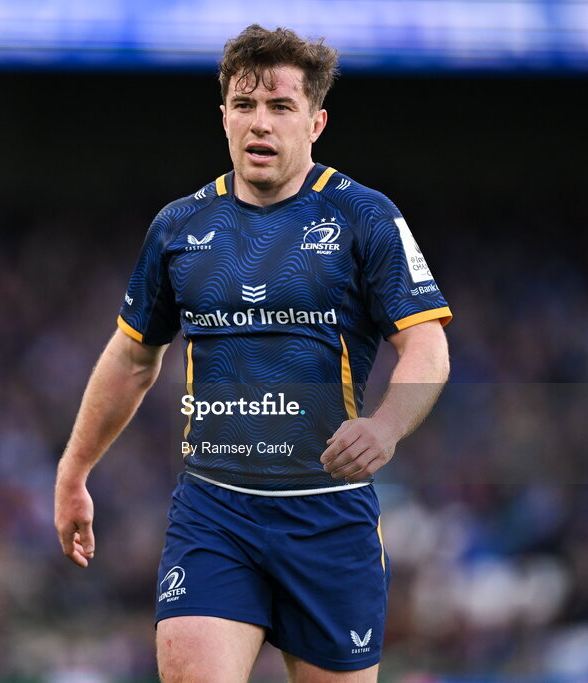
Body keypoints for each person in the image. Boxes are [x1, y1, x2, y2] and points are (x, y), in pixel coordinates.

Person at [55, 24, 451, 682]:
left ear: (316, 121)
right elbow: (131, 359)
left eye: (279, 106)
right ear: (223, 117)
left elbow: (427, 345)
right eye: (244, 106)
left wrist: (385, 426)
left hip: (330, 517)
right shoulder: (179, 226)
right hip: (216, 511)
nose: (259, 123)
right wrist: (74, 470)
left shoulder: (365, 218)